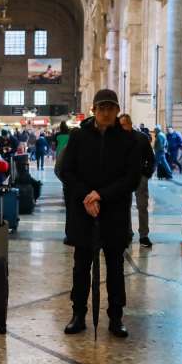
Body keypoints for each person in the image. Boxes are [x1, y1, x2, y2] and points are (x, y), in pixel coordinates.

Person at [60, 89, 141, 338]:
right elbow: (65, 171)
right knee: (81, 265)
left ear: (117, 111)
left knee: (115, 266)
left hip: (114, 212)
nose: (106, 112)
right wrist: (87, 196)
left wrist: (101, 195)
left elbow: (132, 178)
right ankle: (78, 314)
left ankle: (116, 316)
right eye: (101, 108)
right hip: (83, 212)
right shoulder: (78, 137)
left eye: (111, 108)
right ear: (94, 110)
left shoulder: (129, 141)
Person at [120, 114, 155, 248]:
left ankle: (144, 235)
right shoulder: (117, 139)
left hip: (140, 176)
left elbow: (151, 158)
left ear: (129, 124)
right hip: (123, 177)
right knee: (124, 206)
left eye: (123, 125)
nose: (121, 128)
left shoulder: (141, 138)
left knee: (142, 206)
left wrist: (146, 173)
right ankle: (127, 232)